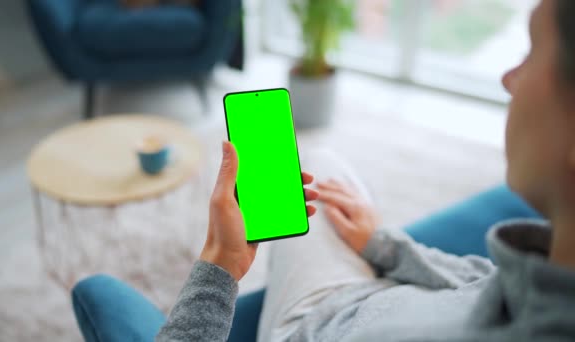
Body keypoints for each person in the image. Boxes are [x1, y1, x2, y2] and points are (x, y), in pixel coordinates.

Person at [156, 0, 575, 340]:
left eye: (533, 52)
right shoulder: (555, 270)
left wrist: (221, 264)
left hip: (317, 324)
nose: (507, 78)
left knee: (315, 168)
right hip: (386, 298)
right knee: (321, 167)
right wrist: (384, 246)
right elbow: (483, 283)